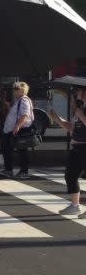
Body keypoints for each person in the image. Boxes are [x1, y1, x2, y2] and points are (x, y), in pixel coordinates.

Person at [50, 87, 86, 216]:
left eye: (78, 93)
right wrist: (58, 119)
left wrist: (80, 114)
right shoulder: (79, 109)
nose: (76, 96)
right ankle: (75, 205)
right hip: (76, 147)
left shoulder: (81, 110)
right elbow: (72, 128)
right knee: (70, 175)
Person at [0, 81, 34, 179]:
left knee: (20, 150)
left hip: (19, 129)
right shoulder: (19, 101)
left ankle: (21, 171)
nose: (14, 91)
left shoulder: (24, 100)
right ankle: (11, 170)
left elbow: (25, 115)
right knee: (12, 149)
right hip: (14, 129)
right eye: (14, 89)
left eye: (16, 89)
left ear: (22, 90)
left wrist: (17, 126)